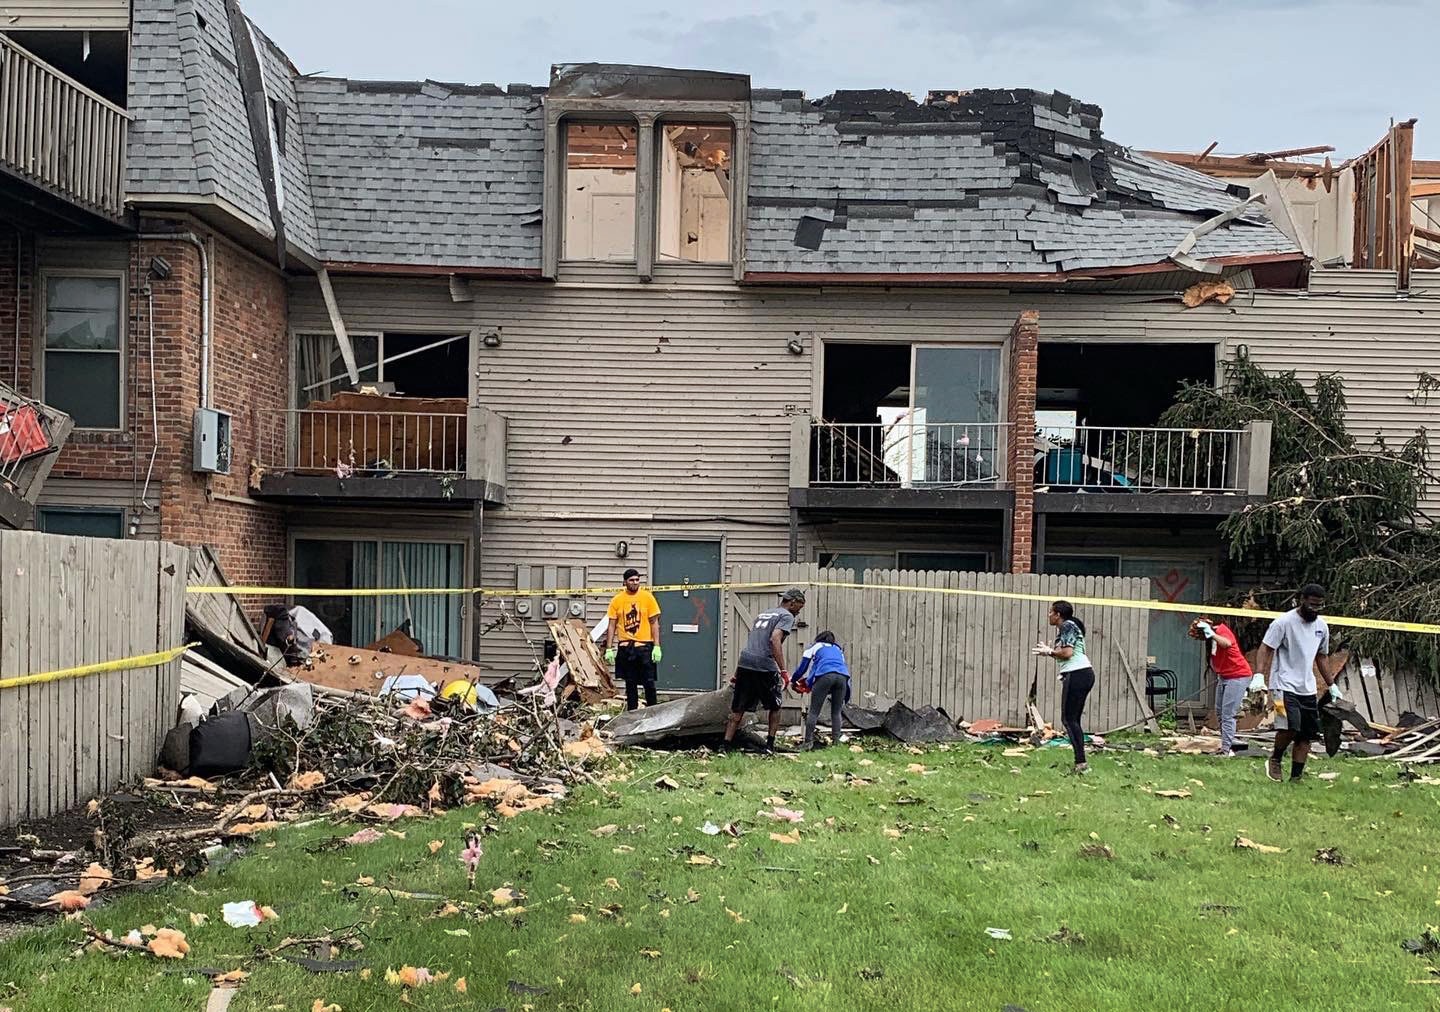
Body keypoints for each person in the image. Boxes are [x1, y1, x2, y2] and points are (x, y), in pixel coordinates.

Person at [1255, 584, 1334, 782]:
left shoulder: (1321, 627)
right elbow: (1266, 648)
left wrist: (1332, 685)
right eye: (1312, 604)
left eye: (1320, 606)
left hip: (1307, 688)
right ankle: (1275, 759)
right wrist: (1258, 675)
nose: (1315, 609)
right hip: (1282, 685)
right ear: (1302, 600)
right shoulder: (1283, 623)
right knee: (1289, 726)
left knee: (1306, 733)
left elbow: (1322, 657)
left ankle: (1296, 778)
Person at [724, 587, 805, 754]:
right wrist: (783, 671)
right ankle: (769, 746)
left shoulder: (764, 614)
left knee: (738, 708)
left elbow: (752, 643)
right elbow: (774, 639)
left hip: (745, 662)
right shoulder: (786, 616)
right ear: (793, 602)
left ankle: (726, 746)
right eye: (800, 606)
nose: (799, 611)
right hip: (764, 665)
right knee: (775, 706)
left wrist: (737, 674)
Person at [1032, 600, 1095, 774]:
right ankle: (1080, 762)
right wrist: (1050, 651)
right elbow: (1066, 654)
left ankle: (1081, 763)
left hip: (1077, 674)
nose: (1049, 615)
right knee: (1073, 720)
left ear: (1058, 614)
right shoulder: (1069, 627)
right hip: (1082, 674)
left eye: (1051, 612)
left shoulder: (1067, 626)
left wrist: (1049, 651)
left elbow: (1067, 654)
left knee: (1069, 719)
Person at [1189, 617, 1253, 758]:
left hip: (1238, 676)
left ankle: (1225, 750)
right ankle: (1229, 741)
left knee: (1228, 714)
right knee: (1219, 711)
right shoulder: (1211, 641)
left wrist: (1211, 633)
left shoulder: (1222, 631)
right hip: (1224, 676)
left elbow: (1227, 643)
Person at [603, 568, 662, 711]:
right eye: (631, 580)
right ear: (624, 582)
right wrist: (609, 648)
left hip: (644, 647)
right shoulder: (617, 600)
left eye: (637, 580)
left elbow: (654, 623)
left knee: (649, 684)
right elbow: (612, 625)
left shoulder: (647, 598)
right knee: (630, 684)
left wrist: (657, 646)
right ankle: (632, 713)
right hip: (626, 648)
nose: (635, 583)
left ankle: (653, 713)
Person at [792, 631, 850, 751]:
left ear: (818, 638)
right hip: (842, 677)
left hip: (825, 675)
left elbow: (802, 668)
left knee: (814, 711)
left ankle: (808, 742)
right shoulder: (838, 650)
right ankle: (836, 743)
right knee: (836, 712)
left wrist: (794, 680)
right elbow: (841, 667)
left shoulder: (814, 646)